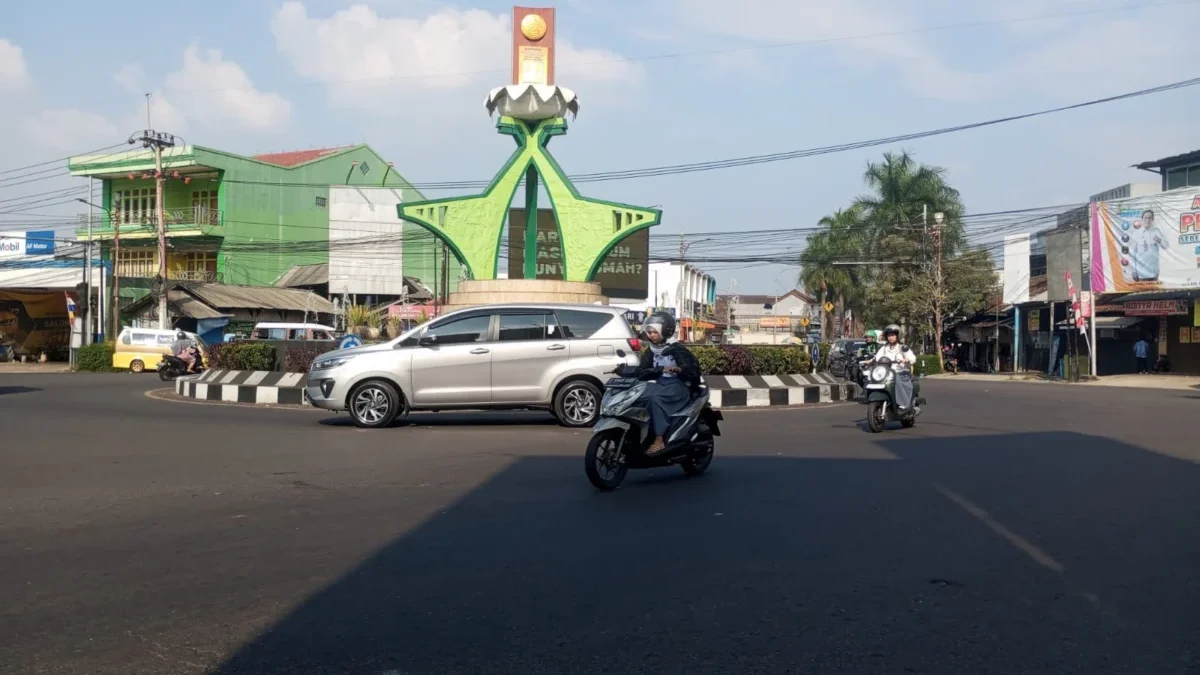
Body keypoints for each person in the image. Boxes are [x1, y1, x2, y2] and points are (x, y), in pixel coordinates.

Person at [626, 311, 701, 455]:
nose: (651, 335)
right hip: (660, 384)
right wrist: (625, 371)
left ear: (665, 331)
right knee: (637, 397)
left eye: (654, 332)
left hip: (678, 386)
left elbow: (692, 368)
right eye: (649, 332)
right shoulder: (652, 350)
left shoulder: (677, 349)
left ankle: (659, 439)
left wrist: (680, 369)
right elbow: (643, 370)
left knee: (655, 399)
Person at [873, 324, 919, 411]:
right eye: (889, 335)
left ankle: (903, 404)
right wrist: (871, 361)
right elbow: (877, 357)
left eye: (893, 335)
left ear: (898, 336)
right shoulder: (884, 348)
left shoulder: (902, 347)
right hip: (886, 372)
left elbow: (913, 358)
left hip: (900, 372)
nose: (891, 337)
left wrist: (906, 359)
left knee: (896, 379)